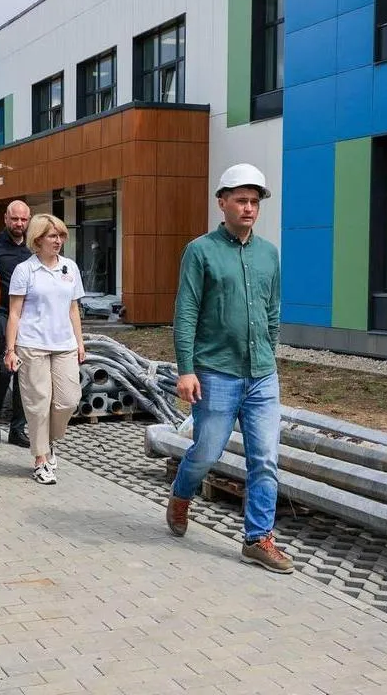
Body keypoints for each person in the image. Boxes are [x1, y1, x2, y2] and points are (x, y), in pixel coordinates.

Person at [167, 163, 293, 575]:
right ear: (222, 202)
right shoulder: (201, 251)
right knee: (206, 452)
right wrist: (186, 371)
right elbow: (186, 313)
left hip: (261, 376)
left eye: (254, 202)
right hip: (216, 373)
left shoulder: (269, 253)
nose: (249, 208)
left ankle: (258, 539)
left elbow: (272, 311)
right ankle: (182, 494)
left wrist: (268, 354)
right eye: (241, 200)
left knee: (266, 458)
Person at [4, 214, 85, 485]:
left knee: (68, 400)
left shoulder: (70, 268)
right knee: (38, 405)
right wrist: (10, 349)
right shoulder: (24, 270)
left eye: (61, 235)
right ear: (37, 240)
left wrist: (80, 343)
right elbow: (14, 313)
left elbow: (74, 309)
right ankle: (41, 459)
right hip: (31, 345)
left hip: (64, 345)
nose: (59, 240)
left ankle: (48, 440)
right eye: (53, 236)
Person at [0, 200, 33, 448]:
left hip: (31, 320)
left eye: (23, 219)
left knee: (25, 376)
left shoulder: (35, 247)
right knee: (3, 372)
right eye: (15, 219)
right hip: (3, 317)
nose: (19, 224)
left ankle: (17, 429)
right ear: (6, 218)